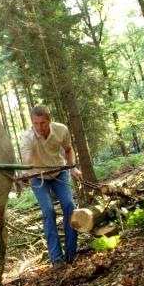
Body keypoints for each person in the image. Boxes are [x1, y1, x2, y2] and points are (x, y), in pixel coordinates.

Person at [20, 106, 82, 266]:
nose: (39, 127)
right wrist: (26, 174)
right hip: (38, 176)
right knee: (48, 211)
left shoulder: (61, 130)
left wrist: (72, 167)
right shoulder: (27, 137)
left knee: (69, 206)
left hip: (59, 172)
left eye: (43, 123)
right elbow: (26, 157)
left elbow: (68, 150)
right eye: (36, 123)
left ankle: (71, 252)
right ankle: (56, 259)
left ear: (50, 120)